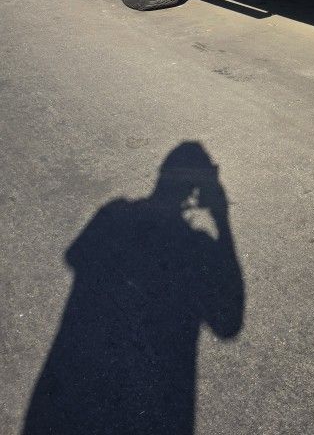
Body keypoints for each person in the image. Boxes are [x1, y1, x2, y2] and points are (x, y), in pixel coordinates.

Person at [23, 142, 244, 435]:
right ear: (197, 190)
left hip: (73, 390)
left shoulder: (114, 214)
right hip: (153, 407)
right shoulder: (196, 249)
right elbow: (228, 324)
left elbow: (75, 256)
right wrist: (222, 219)